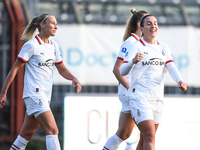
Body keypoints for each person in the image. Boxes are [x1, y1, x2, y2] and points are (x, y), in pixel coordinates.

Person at [0, 13, 82, 150]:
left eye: (56, 23)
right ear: (42, 25)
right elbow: (14, 69)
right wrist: (3, 92)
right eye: (53, 23)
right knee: (53, 130)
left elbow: (61, 69)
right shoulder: (31, 45)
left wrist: (73, 78)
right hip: (34, 94)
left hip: (44, 96)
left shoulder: (54, 46)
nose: (56, 26)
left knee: (26, 135)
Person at [120, 15, 187, 150]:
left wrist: (179, 80)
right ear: (142, 28)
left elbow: (171, 66)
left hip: (157, 98)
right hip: (139, 97)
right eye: (149, 24)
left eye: (155, 23)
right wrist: (133, 62)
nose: (153, 26)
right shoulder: (136, 46)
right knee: (150, 135)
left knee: (146, 138)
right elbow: (122, 71)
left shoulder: (163, 47)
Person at [102, 9, 148, 150]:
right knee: (148, 133)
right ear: (141, 24)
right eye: (148, 22)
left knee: (124, 133)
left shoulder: (140, 43)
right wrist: (130, 87)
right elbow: (117, 69)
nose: (152, 26)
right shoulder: (131, 43)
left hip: (133, 93)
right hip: (131, 93)